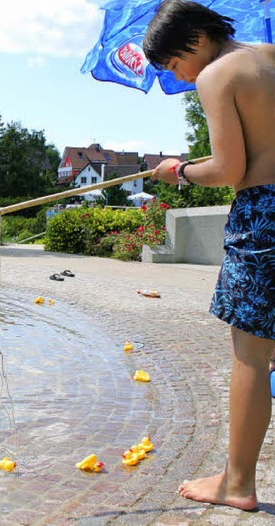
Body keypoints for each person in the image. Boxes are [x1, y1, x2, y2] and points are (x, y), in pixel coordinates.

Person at [142, 0, 275, 511]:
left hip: (266, 215)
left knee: (252, 354)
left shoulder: (217, 74)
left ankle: (237, 482)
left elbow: (228, 168)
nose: (180, 76)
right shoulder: (268, 55)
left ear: (195, 39)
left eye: (175, 65)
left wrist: (179, 172)